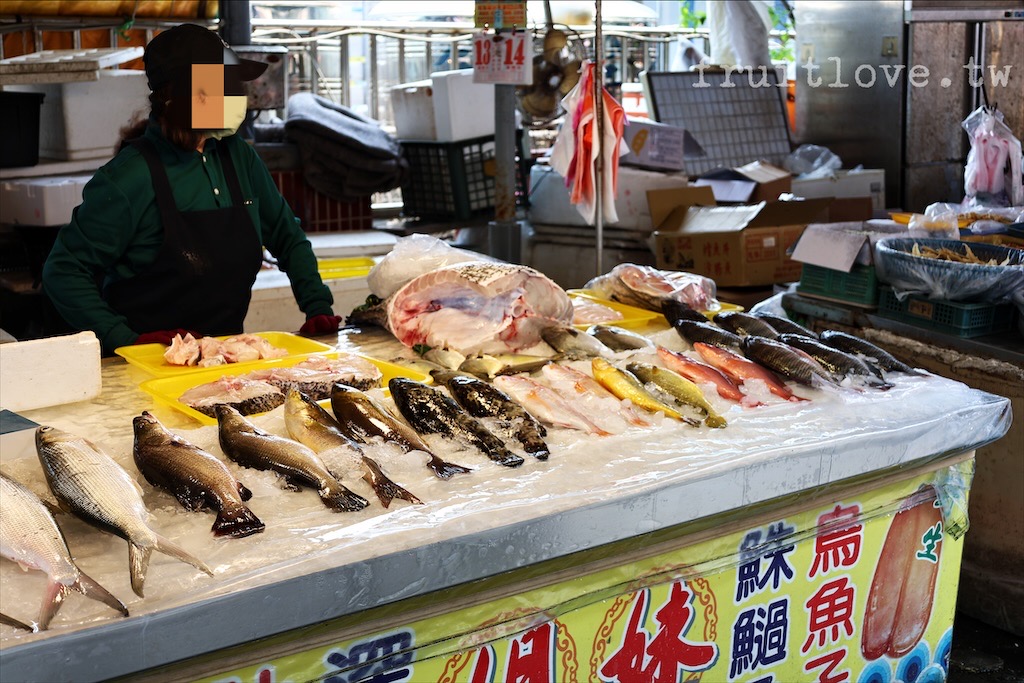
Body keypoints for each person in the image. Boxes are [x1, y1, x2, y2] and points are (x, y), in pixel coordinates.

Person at [42, 23, 342, 355]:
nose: (235, 95)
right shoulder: (130, 177)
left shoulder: (238, 157)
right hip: (144, 366)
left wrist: (317, 307)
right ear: (179, 96)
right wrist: (124, 340)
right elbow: (64, 271)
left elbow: (288, 237)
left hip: (223, 359)